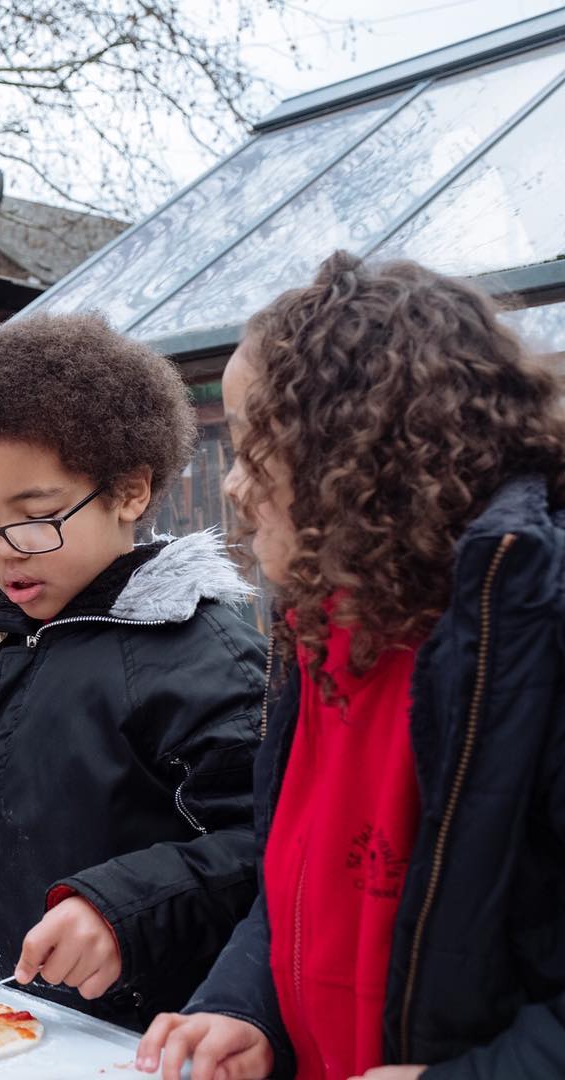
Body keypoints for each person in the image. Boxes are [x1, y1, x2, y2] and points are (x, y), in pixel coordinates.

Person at [135, 252, 565, 1080]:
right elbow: (299, 889)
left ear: (355, 451)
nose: (231, 486)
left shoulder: (531, 628)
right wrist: (244, 1003)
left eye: (253, 447)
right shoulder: (319, 627)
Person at [0, 313, 265, 1031]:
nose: (4, 551)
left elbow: (260, 847)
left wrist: (118, 910)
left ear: (130, 492)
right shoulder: (17, 647)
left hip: (130, 1033)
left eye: (35, 516)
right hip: (4, 1016)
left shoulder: (199, 650)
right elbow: (19, 820)